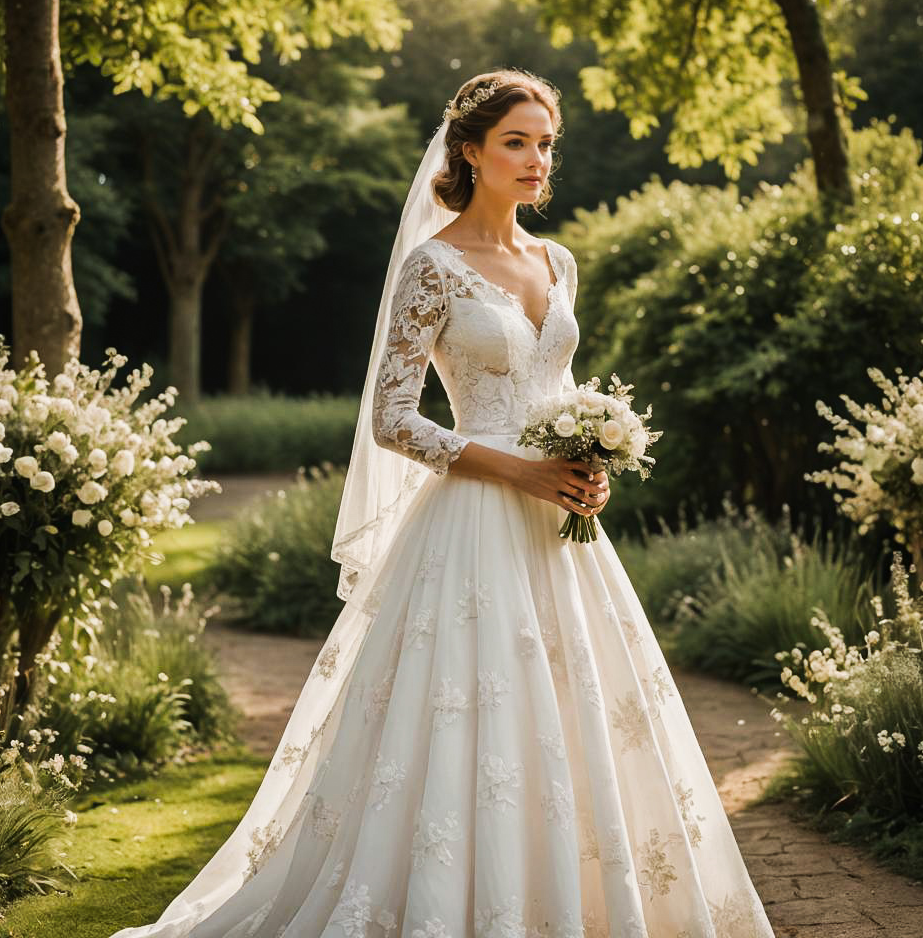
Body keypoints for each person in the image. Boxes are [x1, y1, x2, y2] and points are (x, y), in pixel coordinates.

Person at [109, 69, 776, 938]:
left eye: (545, 143)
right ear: (470, 151)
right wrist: (517, 470)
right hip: (473, 523)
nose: (538, 159)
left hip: (561, 531)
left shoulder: (557, 259)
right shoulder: (433, 267)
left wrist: (590, 460)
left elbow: (558, 383)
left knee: (577, 718)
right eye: (517, 142)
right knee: (479, 720)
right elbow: (391, 419)